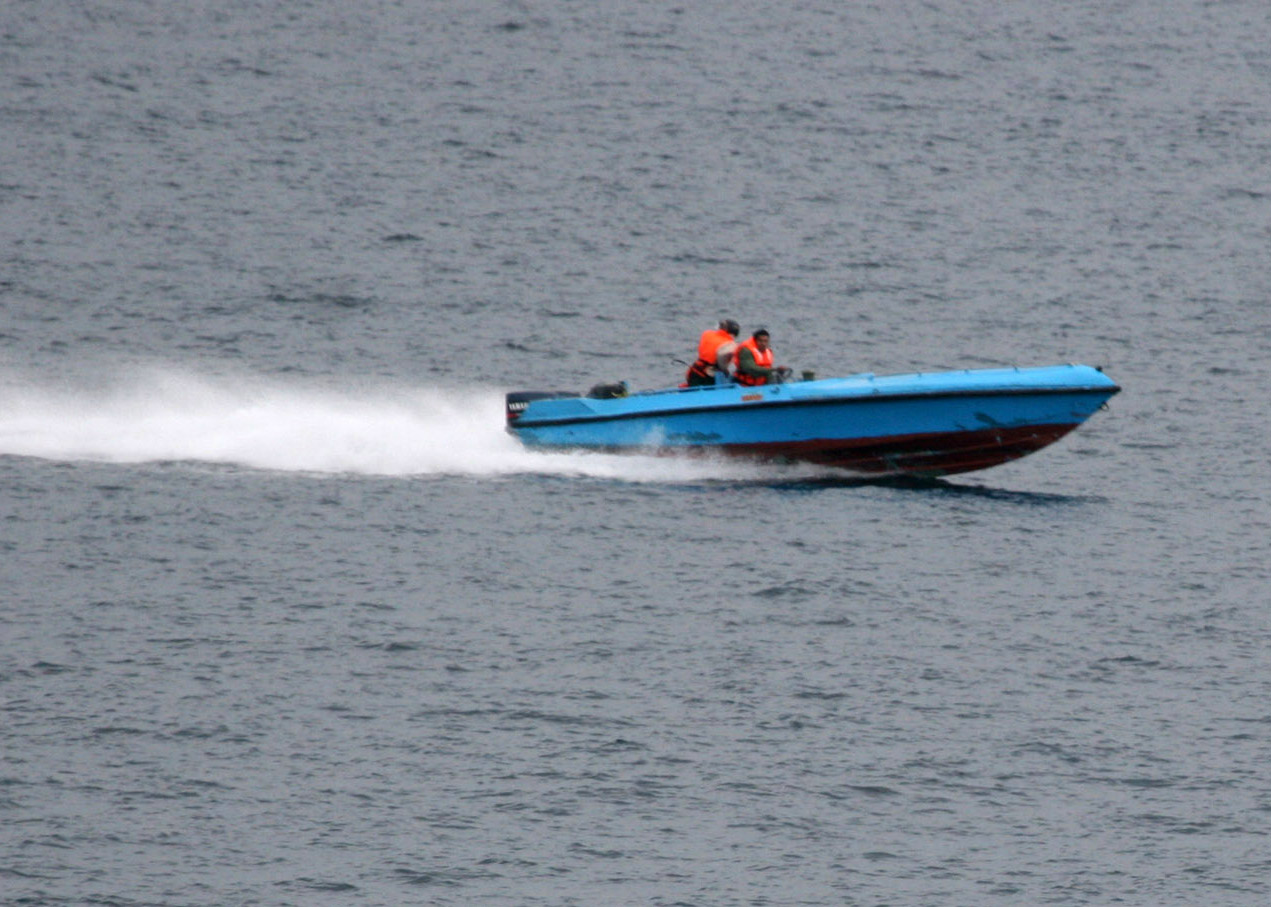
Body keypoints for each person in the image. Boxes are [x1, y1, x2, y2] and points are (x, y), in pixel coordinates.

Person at [684, 319, 740, 387]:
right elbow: (724, 365)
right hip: (709, 376)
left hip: (694, 371)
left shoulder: (707, 334)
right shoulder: (731, 345)